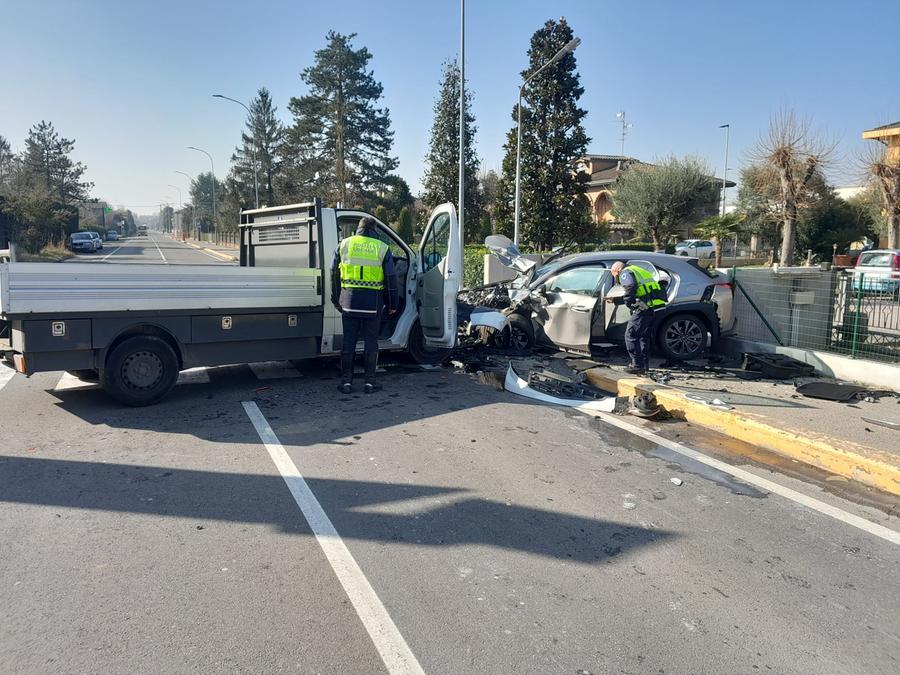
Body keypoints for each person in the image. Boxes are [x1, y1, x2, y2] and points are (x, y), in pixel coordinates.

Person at [330, 216, 399, 394]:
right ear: (374, 229)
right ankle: (369, 382)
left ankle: (346, 382)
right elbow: (391, 278)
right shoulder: (382, 248)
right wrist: (393, 303)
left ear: (358, 228)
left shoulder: (344, 244)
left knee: (349, 342)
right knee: (371, 343)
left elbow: (333, 273)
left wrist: (336, 298)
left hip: (349, 302)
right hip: (372, 304)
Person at [608, 261, 667, 374]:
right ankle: (644, 365)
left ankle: (637, 365)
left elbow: (631, 287)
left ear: (617, 271)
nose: (617, 279)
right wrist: (616, 300)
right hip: (658, 307)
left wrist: (629, 304)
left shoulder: (625, 273)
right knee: (644, 336)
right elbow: (642, 291)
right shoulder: (638, 269)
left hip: (646, 307)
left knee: (631, 335)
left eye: (615, 276)